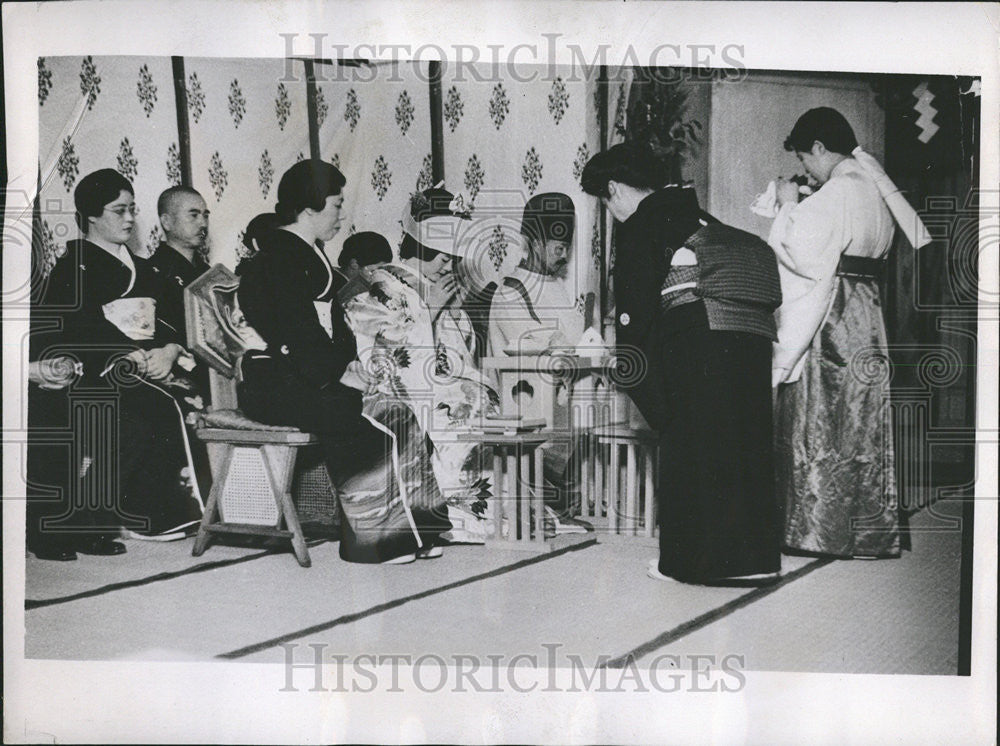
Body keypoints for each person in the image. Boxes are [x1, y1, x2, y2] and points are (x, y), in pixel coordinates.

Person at [581, 143, 783, 585]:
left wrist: (653, 401)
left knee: (692, 446)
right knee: (745, 437)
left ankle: (689, 563)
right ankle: (758, 560)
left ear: (613, 189)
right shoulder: (700, 216)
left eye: (604, 202)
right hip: (753, 332)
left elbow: (634, 322)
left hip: (699, 332)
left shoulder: (640, 225)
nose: (610, 213)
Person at [235, 159, 450, 564]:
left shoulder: (309, 255)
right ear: (309, 209)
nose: (341, 213)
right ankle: (371, 541)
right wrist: (337, 375)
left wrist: (349, 367)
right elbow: (295, 334)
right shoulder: (276, 260)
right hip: (274, 379)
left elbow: (332, 331)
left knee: (398, 412)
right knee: (364, 418)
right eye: (336, 205)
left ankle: (419, 531)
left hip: (307, 373)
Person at [28, 169, 202, 558]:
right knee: (148, 414)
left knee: (152, 417)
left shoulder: (146, 269)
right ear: (91, 215)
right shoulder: (74, 266)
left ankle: (109, 520)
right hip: (91, 372)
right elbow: (73, 327)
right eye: (118, 210)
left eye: (132, 210)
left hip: (141, 366)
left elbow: (172, 323)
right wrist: (125, 352)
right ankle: (117, 519)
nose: (128, 219)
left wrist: (168, 350)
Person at [769, 107, 900, 559]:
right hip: (870, 309)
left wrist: (788, 202)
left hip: (836, 311)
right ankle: (865, 529)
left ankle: (816, 529)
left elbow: (801, 253)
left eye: (806, 159)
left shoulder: (840, 190)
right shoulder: (873, 186)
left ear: (821, 149)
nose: (806, 170)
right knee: (860, 420)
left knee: (820, 418)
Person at [342, 187, 501, 543]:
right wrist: (431, 312)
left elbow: (461, 346)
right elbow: (382, 351)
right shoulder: (381, 283)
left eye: (452, 252)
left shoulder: (433, 284)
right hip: (399, 385)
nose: (448, 260)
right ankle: (448, 510)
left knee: (480, 402)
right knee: (457, 410)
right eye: (441, 250)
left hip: (438, 377)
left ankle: (479, 505)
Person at [487, 192, 584, 357]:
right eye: (559, 249)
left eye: (567, 249)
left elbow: (576, 339)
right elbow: (528, 345)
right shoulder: (509, 291)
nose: (564, 256)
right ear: (537, 245)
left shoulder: (556, 284)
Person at [151, 186, 211, 340]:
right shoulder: (152, 273)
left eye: (205, 216)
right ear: (167, 222)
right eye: (193, 215)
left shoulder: (209, 273)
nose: (203, 224)